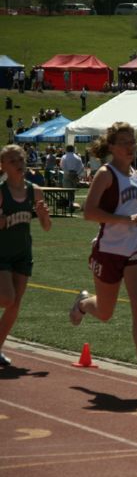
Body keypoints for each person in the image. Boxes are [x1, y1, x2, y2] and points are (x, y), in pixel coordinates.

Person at [68, 122, 137, 389]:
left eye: (133, 141)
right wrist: (124, 220)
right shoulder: (106, 173)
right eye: (124, 142)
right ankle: (82, 303)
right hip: (109, 251)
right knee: (104, 312)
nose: (130, 147)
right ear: (111, 146)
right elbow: (89, 212)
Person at [0, 144, 51, 367]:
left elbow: (46, 227)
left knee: (14, 304)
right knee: (7, 297)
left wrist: (42, 215)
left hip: (23, 253)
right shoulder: (1, 192)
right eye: (12, 160)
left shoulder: (34, 191)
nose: (19, 163)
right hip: (1, 253)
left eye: (20, 159)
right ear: (2, 166)